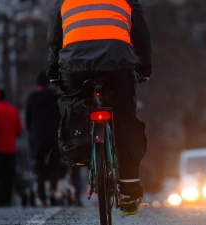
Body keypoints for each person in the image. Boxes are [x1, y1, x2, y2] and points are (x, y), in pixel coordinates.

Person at [47, 0, 152, 216]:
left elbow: (54, 39)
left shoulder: (64, 1)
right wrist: (144, 67)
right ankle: (130, 192)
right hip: (118, 64)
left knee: (74, 105)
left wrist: (53, 71)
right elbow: (141, 34)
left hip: (75, 67)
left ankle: (79, 144)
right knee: (124, 120)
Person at [25, 72, 62, 206]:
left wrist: (32, 134)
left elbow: (28, 121)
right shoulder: (55, 96)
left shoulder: (32, 98)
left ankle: (42, 198)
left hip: (38, 137)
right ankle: (52, 190)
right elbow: (60, 117)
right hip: (53, 136)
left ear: (38, 84)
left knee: (40, 168)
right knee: (54, 165)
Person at [0, 89, 23, 206]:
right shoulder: (13, 110)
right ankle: (7, 199)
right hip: (10, 149)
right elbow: (19, 130)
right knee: (9, 175)